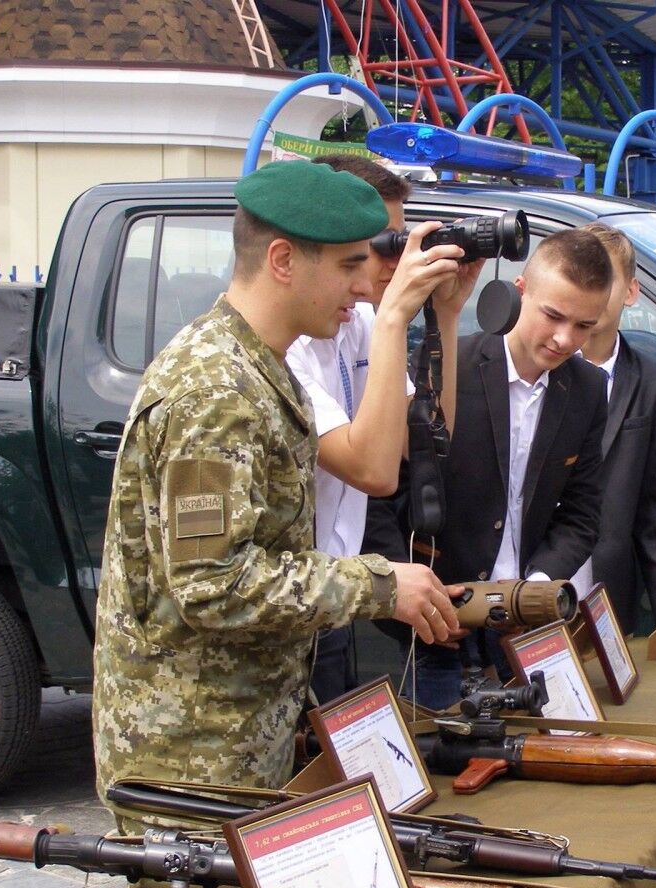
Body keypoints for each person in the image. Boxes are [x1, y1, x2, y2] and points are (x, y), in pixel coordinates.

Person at [91, 161, 463, 833]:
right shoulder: (214, 389)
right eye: (350, 265)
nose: (363, 285)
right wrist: (379, 586)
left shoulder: (261, 368)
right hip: (194, 760)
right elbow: (212, 583)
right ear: (284, 260)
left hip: (237, 739)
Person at [286, 155, 483, 704]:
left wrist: (445, 314)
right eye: (386, 244)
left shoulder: (359, 320)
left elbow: (414, 442)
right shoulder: (294, 346)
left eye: (403, 240)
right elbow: (372, 470)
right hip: (298, 597)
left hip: (332, 589)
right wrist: (397, 314)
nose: (398, 260)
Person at [405, 229, 613, 709]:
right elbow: (392, 495)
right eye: (553, 316)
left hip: (525, 631)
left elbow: (582, 513)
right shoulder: (448, 362)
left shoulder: (585, 388)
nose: (565, 340)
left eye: (585, 326)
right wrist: (414, 602)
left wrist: (535, 593)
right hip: (439, 632)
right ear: (520, 291)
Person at [571, 222, 656, 640]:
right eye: (579, 275)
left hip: (608, 602)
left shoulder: (654, 386)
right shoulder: (536, 370)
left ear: (631, 292)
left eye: (603, 278)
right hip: (529, 592)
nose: (589, 290)